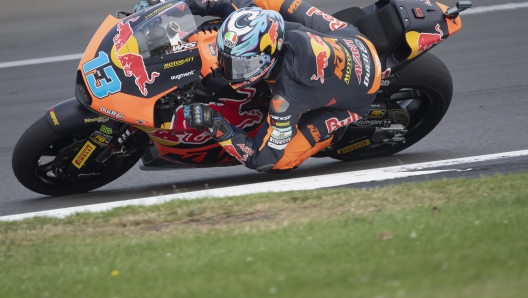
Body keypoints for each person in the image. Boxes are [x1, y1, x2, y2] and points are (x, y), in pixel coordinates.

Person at [135, 0, 382, 172]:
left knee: (278, 164)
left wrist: (217, 125)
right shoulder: (258, 22)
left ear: (267, 59)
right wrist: (171, 6)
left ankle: (331, 135)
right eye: (225, 59)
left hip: (360, 90)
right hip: (349, 38)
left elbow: (260, 157)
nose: (226, 70)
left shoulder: (285, 101)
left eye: (239, 66)